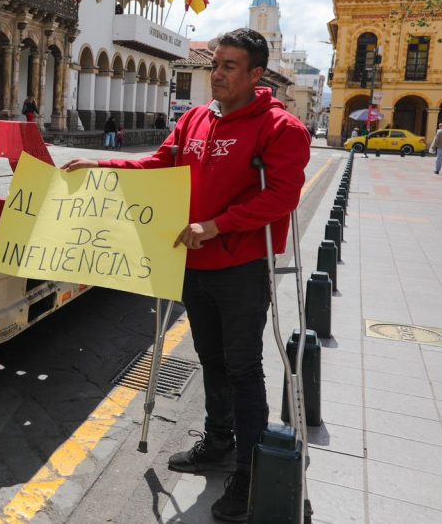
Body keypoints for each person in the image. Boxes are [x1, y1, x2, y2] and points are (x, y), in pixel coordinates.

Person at [61, 28, 311, 522]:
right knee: (210, 359)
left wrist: (216, 226)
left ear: (256, 74)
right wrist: (100, 165)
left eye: (229, 67)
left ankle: (248, 471)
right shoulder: (195, 117)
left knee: (242, 368)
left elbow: (281, 196)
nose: (216, 74)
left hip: (240, 267)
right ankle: (218, 441)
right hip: (192, 264)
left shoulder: (281, 129)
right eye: (214, 64)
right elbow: (160, 163)